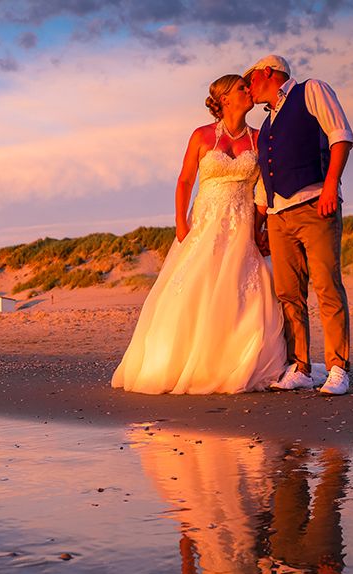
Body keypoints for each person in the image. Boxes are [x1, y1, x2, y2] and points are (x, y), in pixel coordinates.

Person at [111, 75, 286, 395]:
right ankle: (183, 360)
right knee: (194, 285)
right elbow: (184, 181)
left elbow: (264, 186)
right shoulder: (202, 136)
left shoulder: (259, 137)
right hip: (205, 221)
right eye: (240, 89)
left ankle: (234, 358)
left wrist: (260, 226)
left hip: (242, 221)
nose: (248, 92)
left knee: (242, 289)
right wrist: (180, 220)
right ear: (224, 99)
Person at [245, 54, 353, 396]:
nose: (248, 90)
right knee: (288, 294)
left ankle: (338, 368)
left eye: (250, 82)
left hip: (314, 205)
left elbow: (341, 136)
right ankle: (301, 367)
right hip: (279, 216)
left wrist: (330, 187)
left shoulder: (311, 90)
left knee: (326, 286)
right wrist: (260, 224)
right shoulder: (266, 125)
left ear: (268, 73)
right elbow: (265, 179)